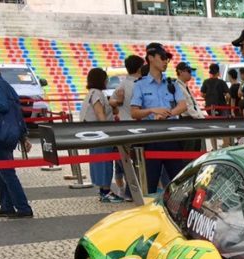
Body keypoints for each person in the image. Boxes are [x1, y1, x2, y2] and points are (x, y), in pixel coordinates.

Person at [131, 42, 189, 193]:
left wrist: (166, 114)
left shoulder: (171, 83)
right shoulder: (140, 85)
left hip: (172, 137)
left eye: (167, 59)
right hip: (151, 140)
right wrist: (151, 110)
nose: (165, 61)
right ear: (150, 58)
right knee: (149, 187)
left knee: (180, 185)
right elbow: (134, 112)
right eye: (162, 57)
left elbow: (183, 105)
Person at [0, 54, 33, 218]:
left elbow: (1, 107)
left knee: (7, 173)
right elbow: (16, 111)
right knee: (2, 171)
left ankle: (23, 208)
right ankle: (6, 205)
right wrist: (23, 135)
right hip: (11, 133)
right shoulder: (5, 85)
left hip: (0, 135)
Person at [81, 67, 124, 203]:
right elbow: (100, 114)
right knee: (104, 162)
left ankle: (103, 190)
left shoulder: (92, 93)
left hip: (94, 134)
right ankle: (105, 191)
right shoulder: (97, 94)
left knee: (99, 161)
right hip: (101, 134)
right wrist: (106, 130)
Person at [110, 53, 144, 199]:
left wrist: (117, 102)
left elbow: (111, 101)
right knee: (139, 161)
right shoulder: (140, 84)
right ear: (140, 68)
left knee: (126, 162)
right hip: (139, 127)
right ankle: (137, 191)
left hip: (124, 126)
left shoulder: (122, 84)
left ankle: (129, 192)